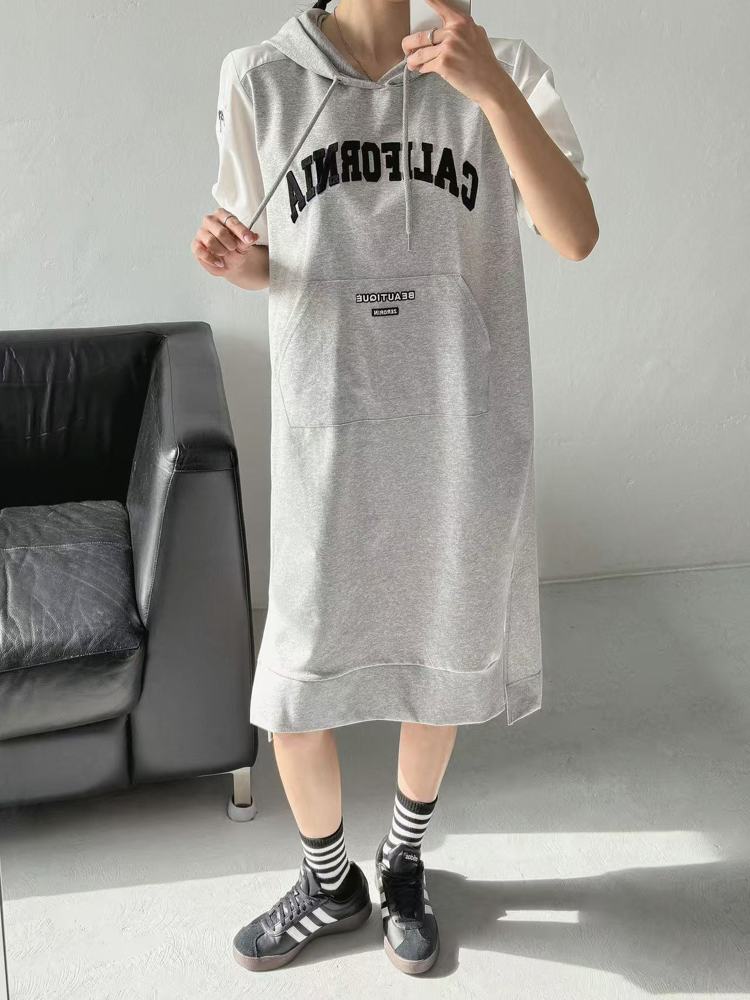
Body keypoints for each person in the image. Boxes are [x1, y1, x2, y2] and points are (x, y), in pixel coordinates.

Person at [191, 0, 598, 976]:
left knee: (440, 654)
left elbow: (575, 234)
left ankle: (403, 860)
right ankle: (330, 882)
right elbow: (274, 258)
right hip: (329, 431)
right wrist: (239, 264)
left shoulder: (503, 66)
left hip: (461, 428)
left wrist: (489, 86)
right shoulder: (261, 79)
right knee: (296, 689)